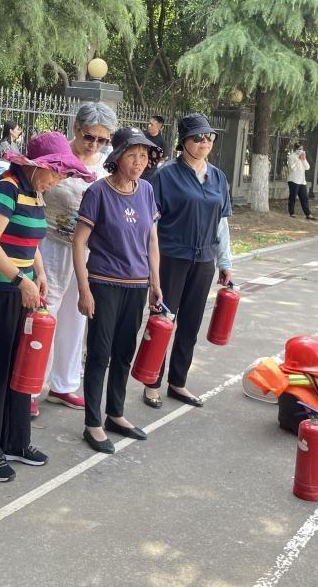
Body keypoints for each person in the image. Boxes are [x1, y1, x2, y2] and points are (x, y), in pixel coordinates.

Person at [0, 132, 94, 482]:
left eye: (64, 174)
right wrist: (19, 280)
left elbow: (33, 240)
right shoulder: (4, 189)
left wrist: (38, 273)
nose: (59, 179)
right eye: (56, 172)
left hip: (20, 289)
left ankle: (15, 440)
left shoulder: (35, 191)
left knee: (21, 368)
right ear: (38, 166)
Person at [73, 127, 163, 453]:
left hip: (137, 285)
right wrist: (84, 289)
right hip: (104, 282)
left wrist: (156, 282)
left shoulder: (147, 190)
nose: (139, 162)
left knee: (124, 351)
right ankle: (93, 423)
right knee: (99, 353)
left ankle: (116, 414)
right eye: (132, 155)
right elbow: (79, 242)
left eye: (143, 155)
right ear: (117, 157)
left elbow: (152, 240)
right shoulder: (98, 192)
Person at [143, 113, 232, 409]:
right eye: (198, 137)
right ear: (184, 142)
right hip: (172, 257)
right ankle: (152, 382)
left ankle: (178, 382)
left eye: (209, 137)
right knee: (162, 320)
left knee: (190, 323)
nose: (205, 142)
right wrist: (150, 268)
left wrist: (225, 263)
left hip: (204, 258)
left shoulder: (218, 177)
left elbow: (221, 224)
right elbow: (150, 224)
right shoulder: (165, 176)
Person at [38, 102, 118, 413]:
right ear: (76, 128)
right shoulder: (57, 154)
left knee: (77, 315)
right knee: (45, 313)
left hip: (87, 250)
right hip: (50, 243)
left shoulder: (106, 165)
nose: (95, 145)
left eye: (102, 140)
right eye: (89, 137)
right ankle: (32, 386)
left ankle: (64, 384)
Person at [286, 143, 316, 220]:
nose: (301, 150)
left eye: (302, 149)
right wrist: (298, 159)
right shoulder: (291, 156)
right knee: (293, 197)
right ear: (296, 149)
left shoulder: (303, 156)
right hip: (293, 180)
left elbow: (307, 167)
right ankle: (291, 213)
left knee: (304, 198)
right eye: (300, 149)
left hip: (302, 181)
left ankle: (308, 214)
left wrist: (304, 159)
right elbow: (292, 168)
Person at [142, 115, 167, 183]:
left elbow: (163, 158)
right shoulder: (142, 135)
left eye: (152, 124)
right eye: (149, 123)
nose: (149, 126)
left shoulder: (162, 142)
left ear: (158, 127)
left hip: (150, 174)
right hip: (138, 168)